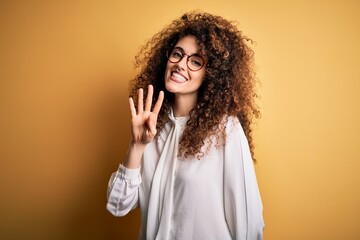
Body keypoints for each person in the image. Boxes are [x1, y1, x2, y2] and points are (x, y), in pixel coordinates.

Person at [107, 11, 265, 240]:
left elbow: (249, 223)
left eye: (195, 61)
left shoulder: (225, 130)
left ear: (211, 75)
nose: (181, 64)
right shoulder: (152, 128)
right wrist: (137, 145)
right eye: (177, 55)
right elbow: (117, 205)